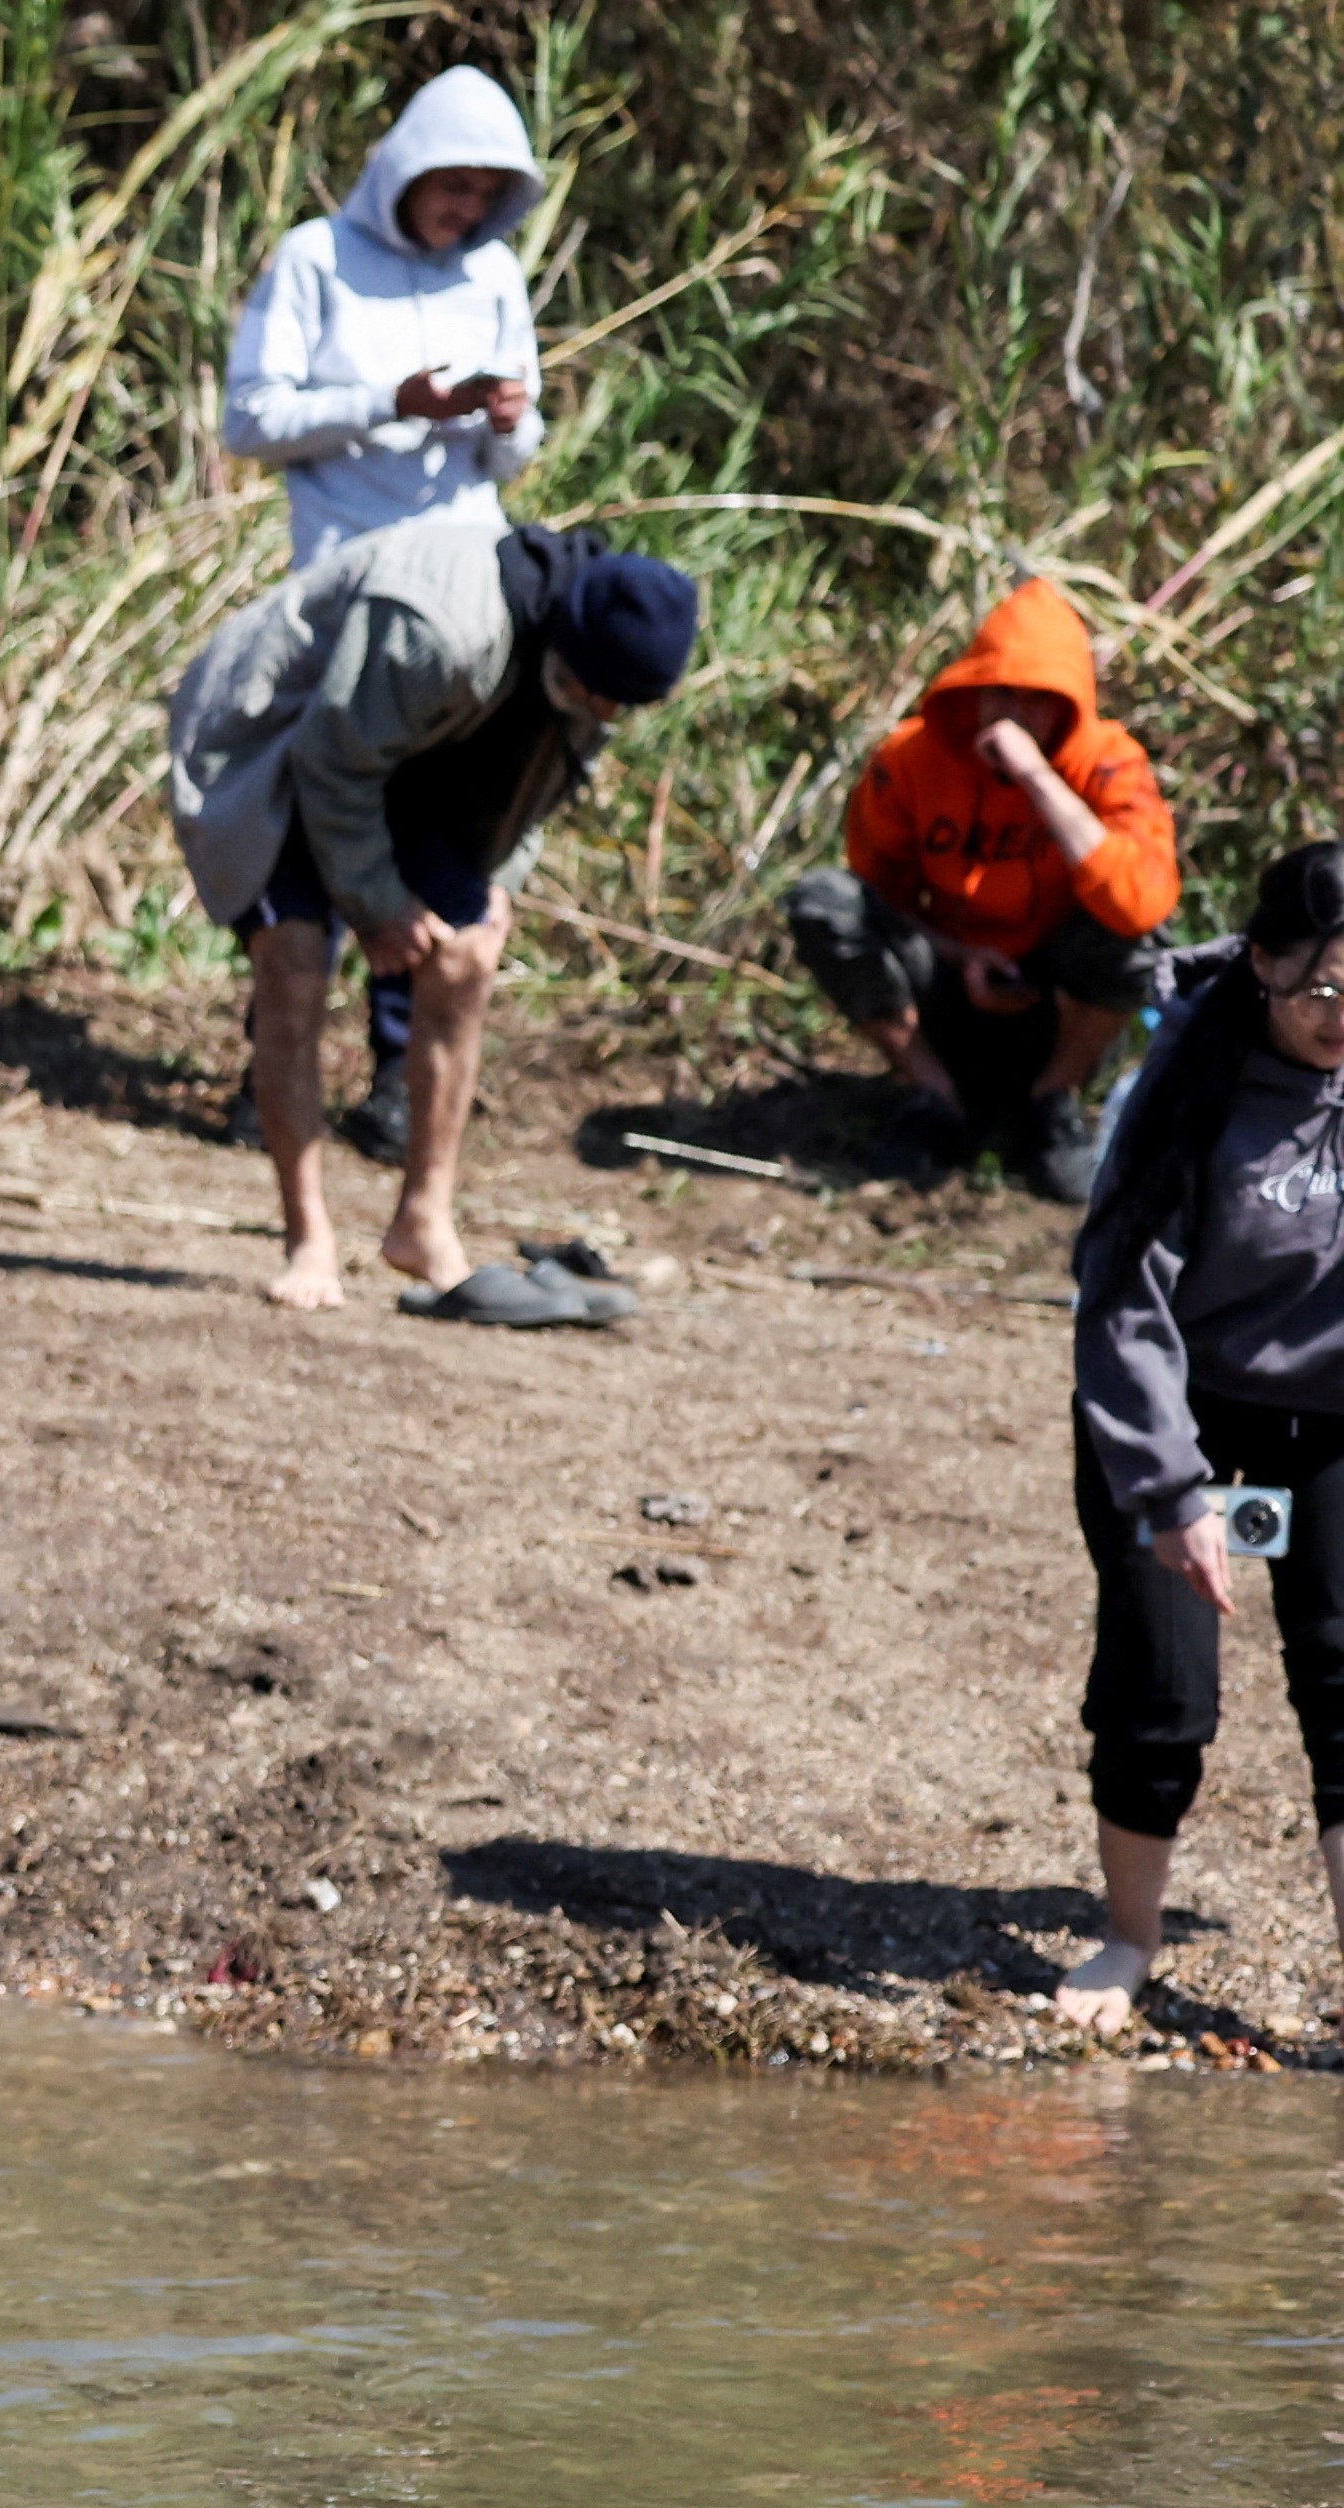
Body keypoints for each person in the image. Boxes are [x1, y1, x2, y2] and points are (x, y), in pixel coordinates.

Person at [165, 518, 701, 1319]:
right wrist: (380, 909)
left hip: (403, 762)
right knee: (295, 963)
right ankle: (307, 1238)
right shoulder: (440, 627)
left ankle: (422, 1219)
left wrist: (492, 892)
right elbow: (330, 762)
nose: (605, 713)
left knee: (467, 956)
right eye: (600, 698)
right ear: (573, 653)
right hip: (279, 743)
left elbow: (538, 786)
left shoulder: (596, 665)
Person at [218, 65, 549, 1168]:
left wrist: (504, 420)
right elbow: (251, 418)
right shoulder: (318, 260)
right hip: (340, 586)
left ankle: (403, 1071)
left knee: (439, 818)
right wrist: (387, 403)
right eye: (445, 187)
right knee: (315, 812)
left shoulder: (495, 272)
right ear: (400, 174)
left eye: (480, 192)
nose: (461, 210)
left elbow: (514, 449)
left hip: (461, 591)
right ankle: (282, 1055)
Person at [1057, 847, 1344, 2030]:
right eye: (1325, 989)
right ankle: (1129, 1942)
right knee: (1164, 1694)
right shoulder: (1186, 1086)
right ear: (1267, 964)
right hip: (1173, 1415)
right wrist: (1173, 1494)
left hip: (1324, 1420)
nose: (1343, 1019)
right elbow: (1121, 1300)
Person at [787, 577, 1178, 1202]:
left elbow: (1138, 905)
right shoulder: (912, 760)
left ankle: (1053, 1102)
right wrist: (955, 952)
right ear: (971, 689)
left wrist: (1036, 776)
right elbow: (874, 895)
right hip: (948, 984)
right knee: (824, 902)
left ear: (1070, 705)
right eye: (1000, 693)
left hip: (1055, 1005)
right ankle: (931, 1096)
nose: (1014, 715)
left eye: (1038, 699)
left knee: (1138, 936)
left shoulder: (1108, 764)